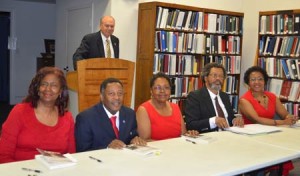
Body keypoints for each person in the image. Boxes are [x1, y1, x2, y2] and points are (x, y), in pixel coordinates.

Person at [0, 67, 75, 163]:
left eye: (54, 85)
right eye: (44, 84)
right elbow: (3, 155)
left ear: (60, 91)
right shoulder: (19, 112)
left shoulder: (67, 117)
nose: (48, 89)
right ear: (38, 89)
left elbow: (71, 155)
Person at [239, 66, 298, 176]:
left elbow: (284, 114)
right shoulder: (244, 100)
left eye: (260, 79)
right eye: (253, 79)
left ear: (265, 81)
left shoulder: (272, 96)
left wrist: (290, 117)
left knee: (280, 158)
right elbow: (257, 120)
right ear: (248, 83)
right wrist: (283, 122)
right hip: (252, 138)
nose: (257, 82)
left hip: (270, 135)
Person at [75, 78, 146, 152]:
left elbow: (132, 137)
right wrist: (107, 148)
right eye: (111, 94)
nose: (117, 97)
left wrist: (135, 140)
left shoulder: (130, 114)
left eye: (120, 93)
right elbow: (82, 151)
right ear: (102, 97)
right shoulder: (85, 118)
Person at [136, 72, 198, 141]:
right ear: (151, 91)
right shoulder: (143, 110)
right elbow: (145, 140)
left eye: (166, 87)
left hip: (177, 149)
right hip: (157, 151)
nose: (162, 91)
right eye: (158, 88)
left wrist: (190, 134)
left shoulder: (175, 107)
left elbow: (183, 134)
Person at [184, 62, 244, 133]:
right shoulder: (195, 97)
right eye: (214, 76)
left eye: (221, 76)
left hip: (229, 135)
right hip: (211, 138)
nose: (218, 79)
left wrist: (235, 120)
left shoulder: (224, 96)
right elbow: (191, 125)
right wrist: (213, 121)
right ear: (206, 78)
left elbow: (230, 117)